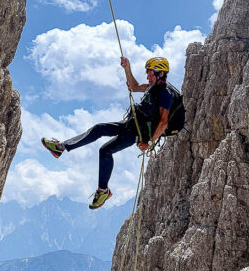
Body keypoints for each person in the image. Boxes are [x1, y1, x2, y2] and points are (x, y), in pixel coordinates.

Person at [42, 56, 175, 209]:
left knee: (105, 151)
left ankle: (103, 191)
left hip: (136, 133)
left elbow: (164, 122)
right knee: (99, 129)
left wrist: (149, 143)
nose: (148, 76)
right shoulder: (152, 87)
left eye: (151, 73)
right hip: (130, 125)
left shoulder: (165, 93)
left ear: (161, 74)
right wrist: (127, 68)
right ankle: (60, 147)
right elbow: (134, 86)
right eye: (147, 73)